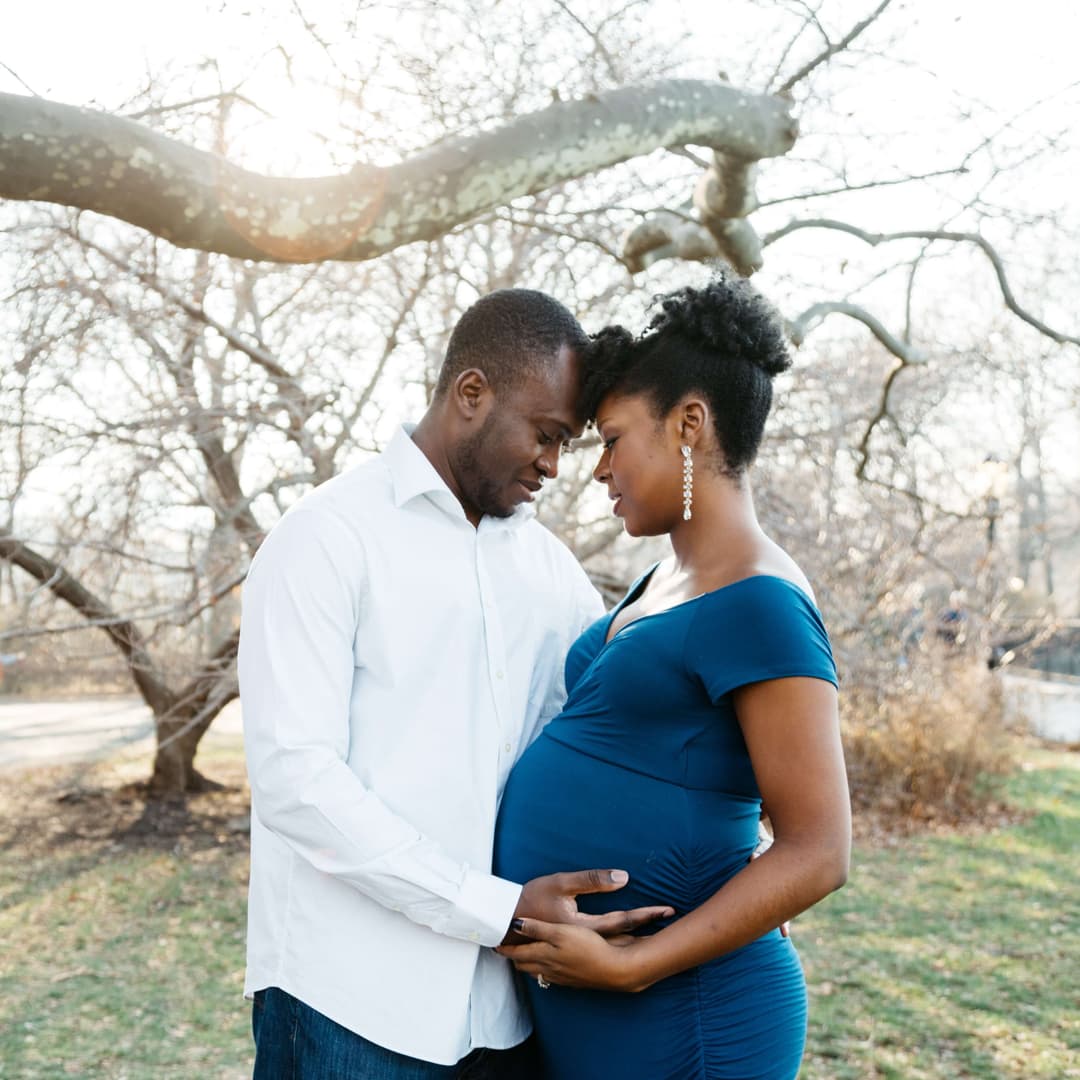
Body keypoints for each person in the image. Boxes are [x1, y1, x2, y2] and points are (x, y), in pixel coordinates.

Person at [238, 288, 672, 1079]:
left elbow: (611, 736)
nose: (552, 464)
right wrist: (491, 911)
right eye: (545, 435)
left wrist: (732, 867)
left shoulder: (552, 575)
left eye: (568, 445)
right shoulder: (327, 538)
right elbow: (293, 779)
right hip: (348, 1003)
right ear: (472, 394)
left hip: (510, 1015)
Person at [494, 275, 852, 1080]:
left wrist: (637, 963)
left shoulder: (761, 600)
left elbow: (820, 849)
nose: (597, 469)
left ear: (690, 423)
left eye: (614, 439)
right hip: (593, 1011)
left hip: (688, 1014)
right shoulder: (663, 580)